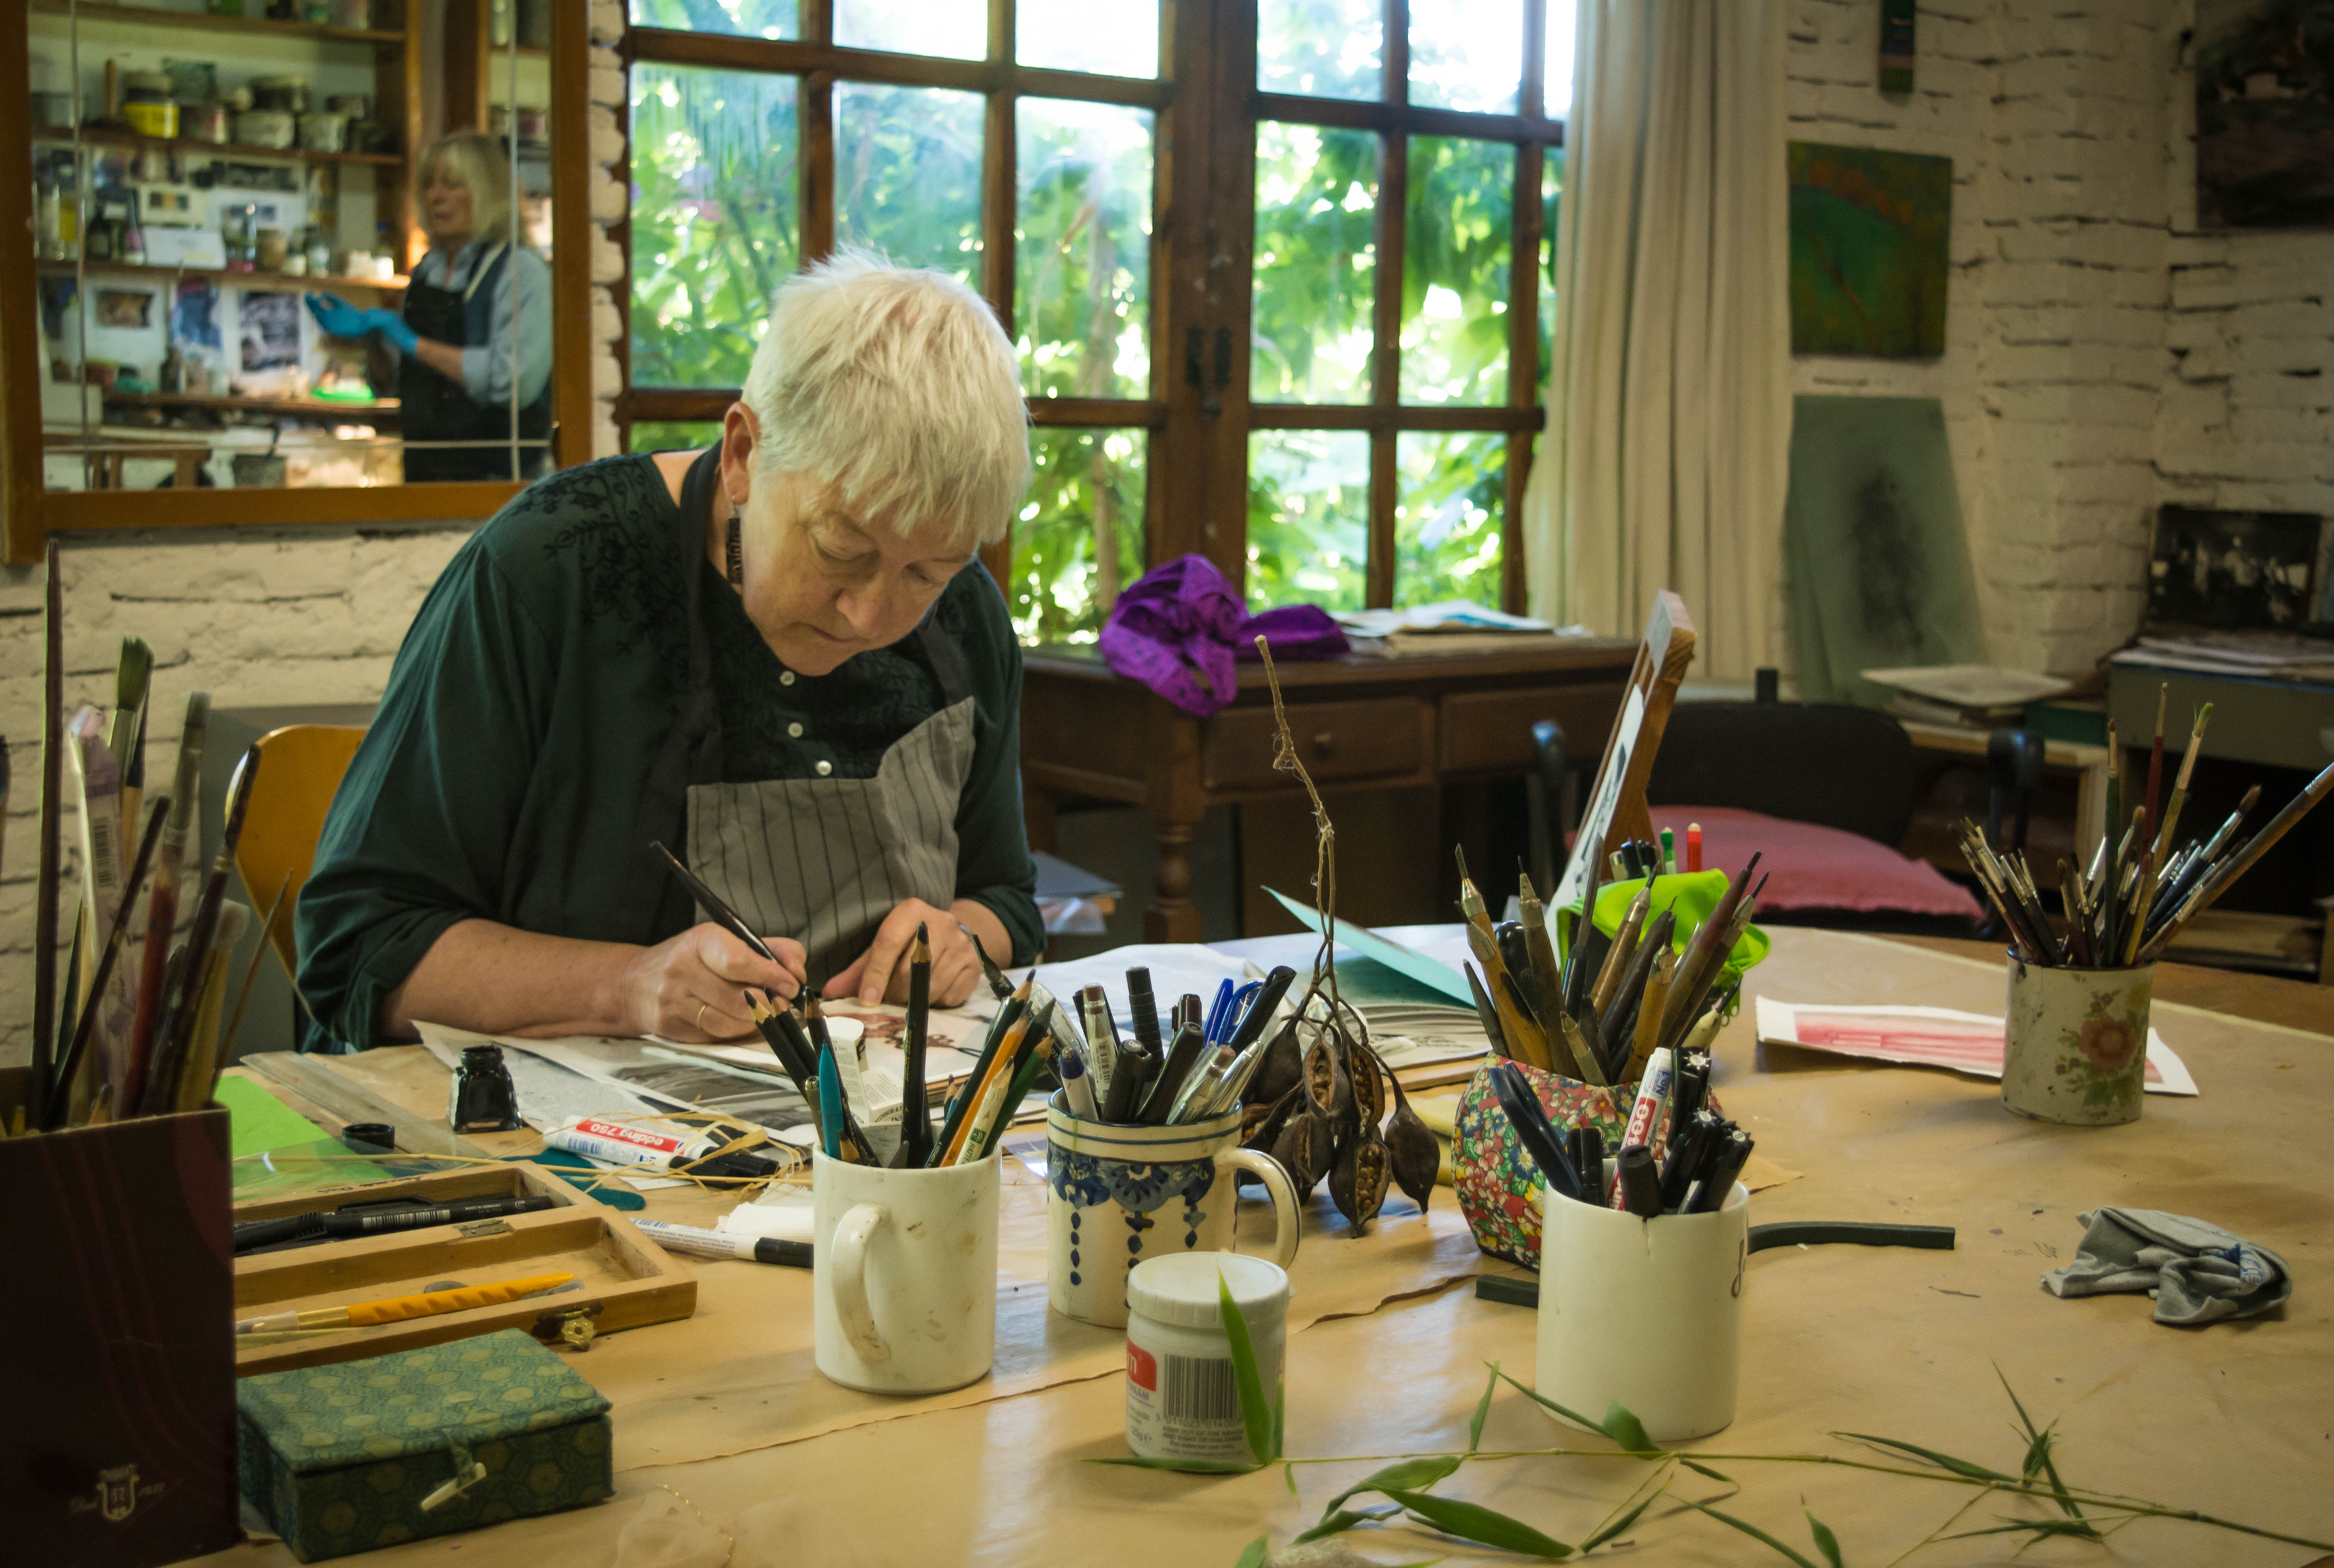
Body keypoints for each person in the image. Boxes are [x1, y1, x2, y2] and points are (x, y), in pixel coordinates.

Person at [297, 251, 1042, 1050]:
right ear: (743, 454)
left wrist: (961, 937)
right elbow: (359, 947)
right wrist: (625, 988)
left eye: (925, 574)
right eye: (839, 550)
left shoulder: (965, 616)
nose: (868, 615)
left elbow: (1002, 895)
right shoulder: (556, 570)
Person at [304, 131, 552, 483]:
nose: (436, 196)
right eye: (429, 185)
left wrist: (412, 343)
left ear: (488, 193)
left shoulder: (521, 271)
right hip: (424, 474)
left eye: (451, 185)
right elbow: (393, 385)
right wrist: (373, 339)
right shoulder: (426, 271)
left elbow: (513, 382)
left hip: (498, 482)